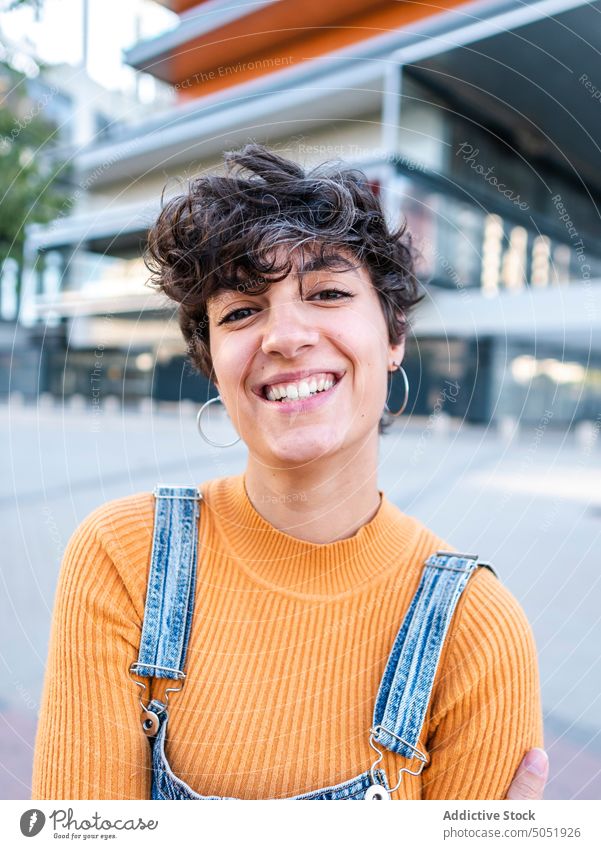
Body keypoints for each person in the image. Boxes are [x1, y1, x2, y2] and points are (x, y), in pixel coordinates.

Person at [32, 144, 548, 801]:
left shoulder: (476, 629)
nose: (285, 335)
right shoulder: (121, 560)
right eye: (241, 311)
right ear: (212, 362)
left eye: (327, 292)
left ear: (393, 338)